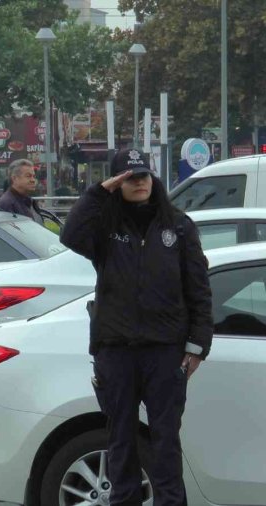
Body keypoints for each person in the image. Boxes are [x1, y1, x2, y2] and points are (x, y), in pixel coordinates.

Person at [60, 148, 213, 506]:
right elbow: (71, 234)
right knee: (121, 443)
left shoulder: (178, 225)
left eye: (144, 174)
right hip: (116, 351)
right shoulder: (104, 229)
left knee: (165, 442)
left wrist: (197, 346)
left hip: (165, 352)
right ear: (117, 183)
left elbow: (199, 290)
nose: (139, 181)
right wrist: (99, 192)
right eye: (129, 177)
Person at [0, 158, 44, 225]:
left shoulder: (29, 201)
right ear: (14, 178)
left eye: (33, 176)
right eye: (28, 176)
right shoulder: (7, 204)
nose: (33, 180)